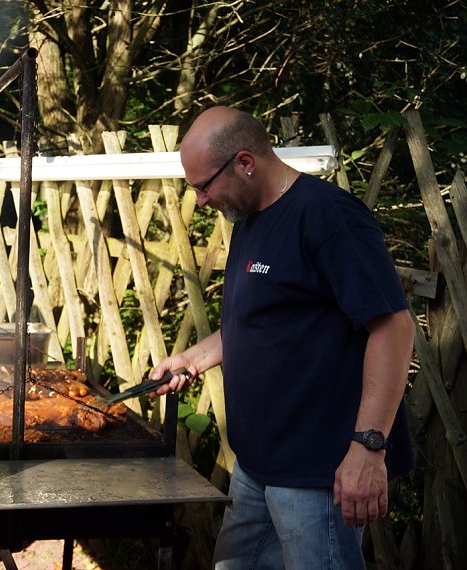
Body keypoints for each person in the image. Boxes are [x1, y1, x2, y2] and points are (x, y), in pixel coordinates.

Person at [150, 107, 415, 568]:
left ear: (245, 162)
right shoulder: (249, 218)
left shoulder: (328, 217)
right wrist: (194, 358)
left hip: (317, 471)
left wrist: (368, 448)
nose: (200, 200)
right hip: (256, 466)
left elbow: (394, 327)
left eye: (203, 185)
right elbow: (261, 323)